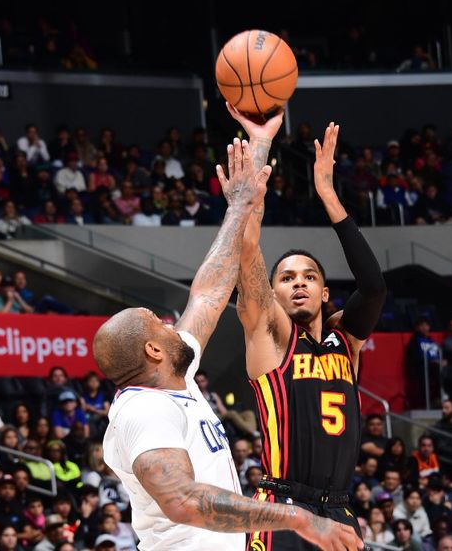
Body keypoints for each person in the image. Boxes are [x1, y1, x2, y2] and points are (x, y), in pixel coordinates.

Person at [94, 139, 360, 551]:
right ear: (153, 351)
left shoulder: (172, 375)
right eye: (158, 323)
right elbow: (183, 500)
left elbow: (210, 292)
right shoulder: (144, 411)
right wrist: (298, 518)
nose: (171, 323)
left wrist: (248, 176)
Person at [227, 105, 386, 551]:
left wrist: (328, 196)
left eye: (309, 276)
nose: (298, 283)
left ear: (324, 294)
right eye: (287, 277)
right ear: (272, 293)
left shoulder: (344, 342)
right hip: (281, 507)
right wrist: (249, 194)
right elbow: (248, 253)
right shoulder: (269, 337)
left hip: (339, 510)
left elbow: (373, 288)